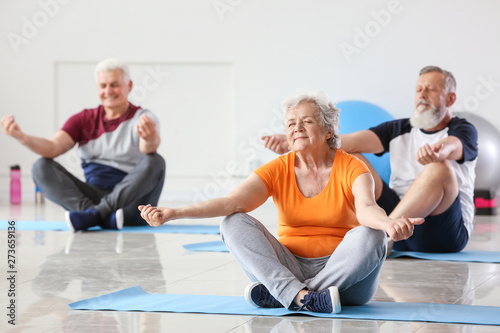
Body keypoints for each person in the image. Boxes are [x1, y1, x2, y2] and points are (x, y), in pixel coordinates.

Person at [139, 91, 423, 313]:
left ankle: (286, 295)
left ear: (328, 131)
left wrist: (389, 224)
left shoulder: (352, 166)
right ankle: (305, 297)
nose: (297, 128)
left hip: (346, 279)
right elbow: (231, 202)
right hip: (290, 265)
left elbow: (366, 209)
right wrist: (174, 212)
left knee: (371, 234)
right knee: (233, 222)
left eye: (307, 121)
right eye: (290, 123)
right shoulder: (278, 168)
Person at [263, 66, 478, 253]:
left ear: (450, 98)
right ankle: (367, 233)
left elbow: (453, 145)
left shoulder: (463, 129)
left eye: (431, 89)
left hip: (442, 231)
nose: (422, 95)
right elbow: (345, 141)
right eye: (419, 89)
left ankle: (378, 242)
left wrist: (438, 151)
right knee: (350, 155)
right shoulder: (398, 128)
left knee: (439, 168)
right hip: (397, 220)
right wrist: (298, 140)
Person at [1, 58, 166, 231]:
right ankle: (98, 215)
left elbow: (149, 149)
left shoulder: (143, 118)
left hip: (131, 206)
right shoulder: (84, 119)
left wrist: (149, 138)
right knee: (41, 166)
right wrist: (21, 137)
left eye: (114, 84)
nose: (108, 91)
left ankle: (94, 215)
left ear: (129, 86)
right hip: (93, 196)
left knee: (155, 161)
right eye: (103, 86)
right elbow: (51, 148)